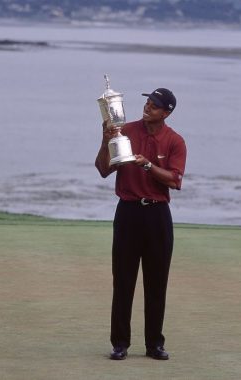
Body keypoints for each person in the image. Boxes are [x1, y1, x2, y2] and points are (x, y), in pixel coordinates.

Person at [95, 88, 187, 361]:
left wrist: (147, 166)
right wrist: (105, 140)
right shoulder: (125, 131)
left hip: (158, 215)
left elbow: (174, 180)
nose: (147, 108)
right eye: (147, 103)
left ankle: (154, 345)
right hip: (128, 213)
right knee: (123, 280)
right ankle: (120, 344)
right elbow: (103, 169)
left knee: (157, 283)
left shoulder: (174, 141)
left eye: (154, 106)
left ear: (166, 112)